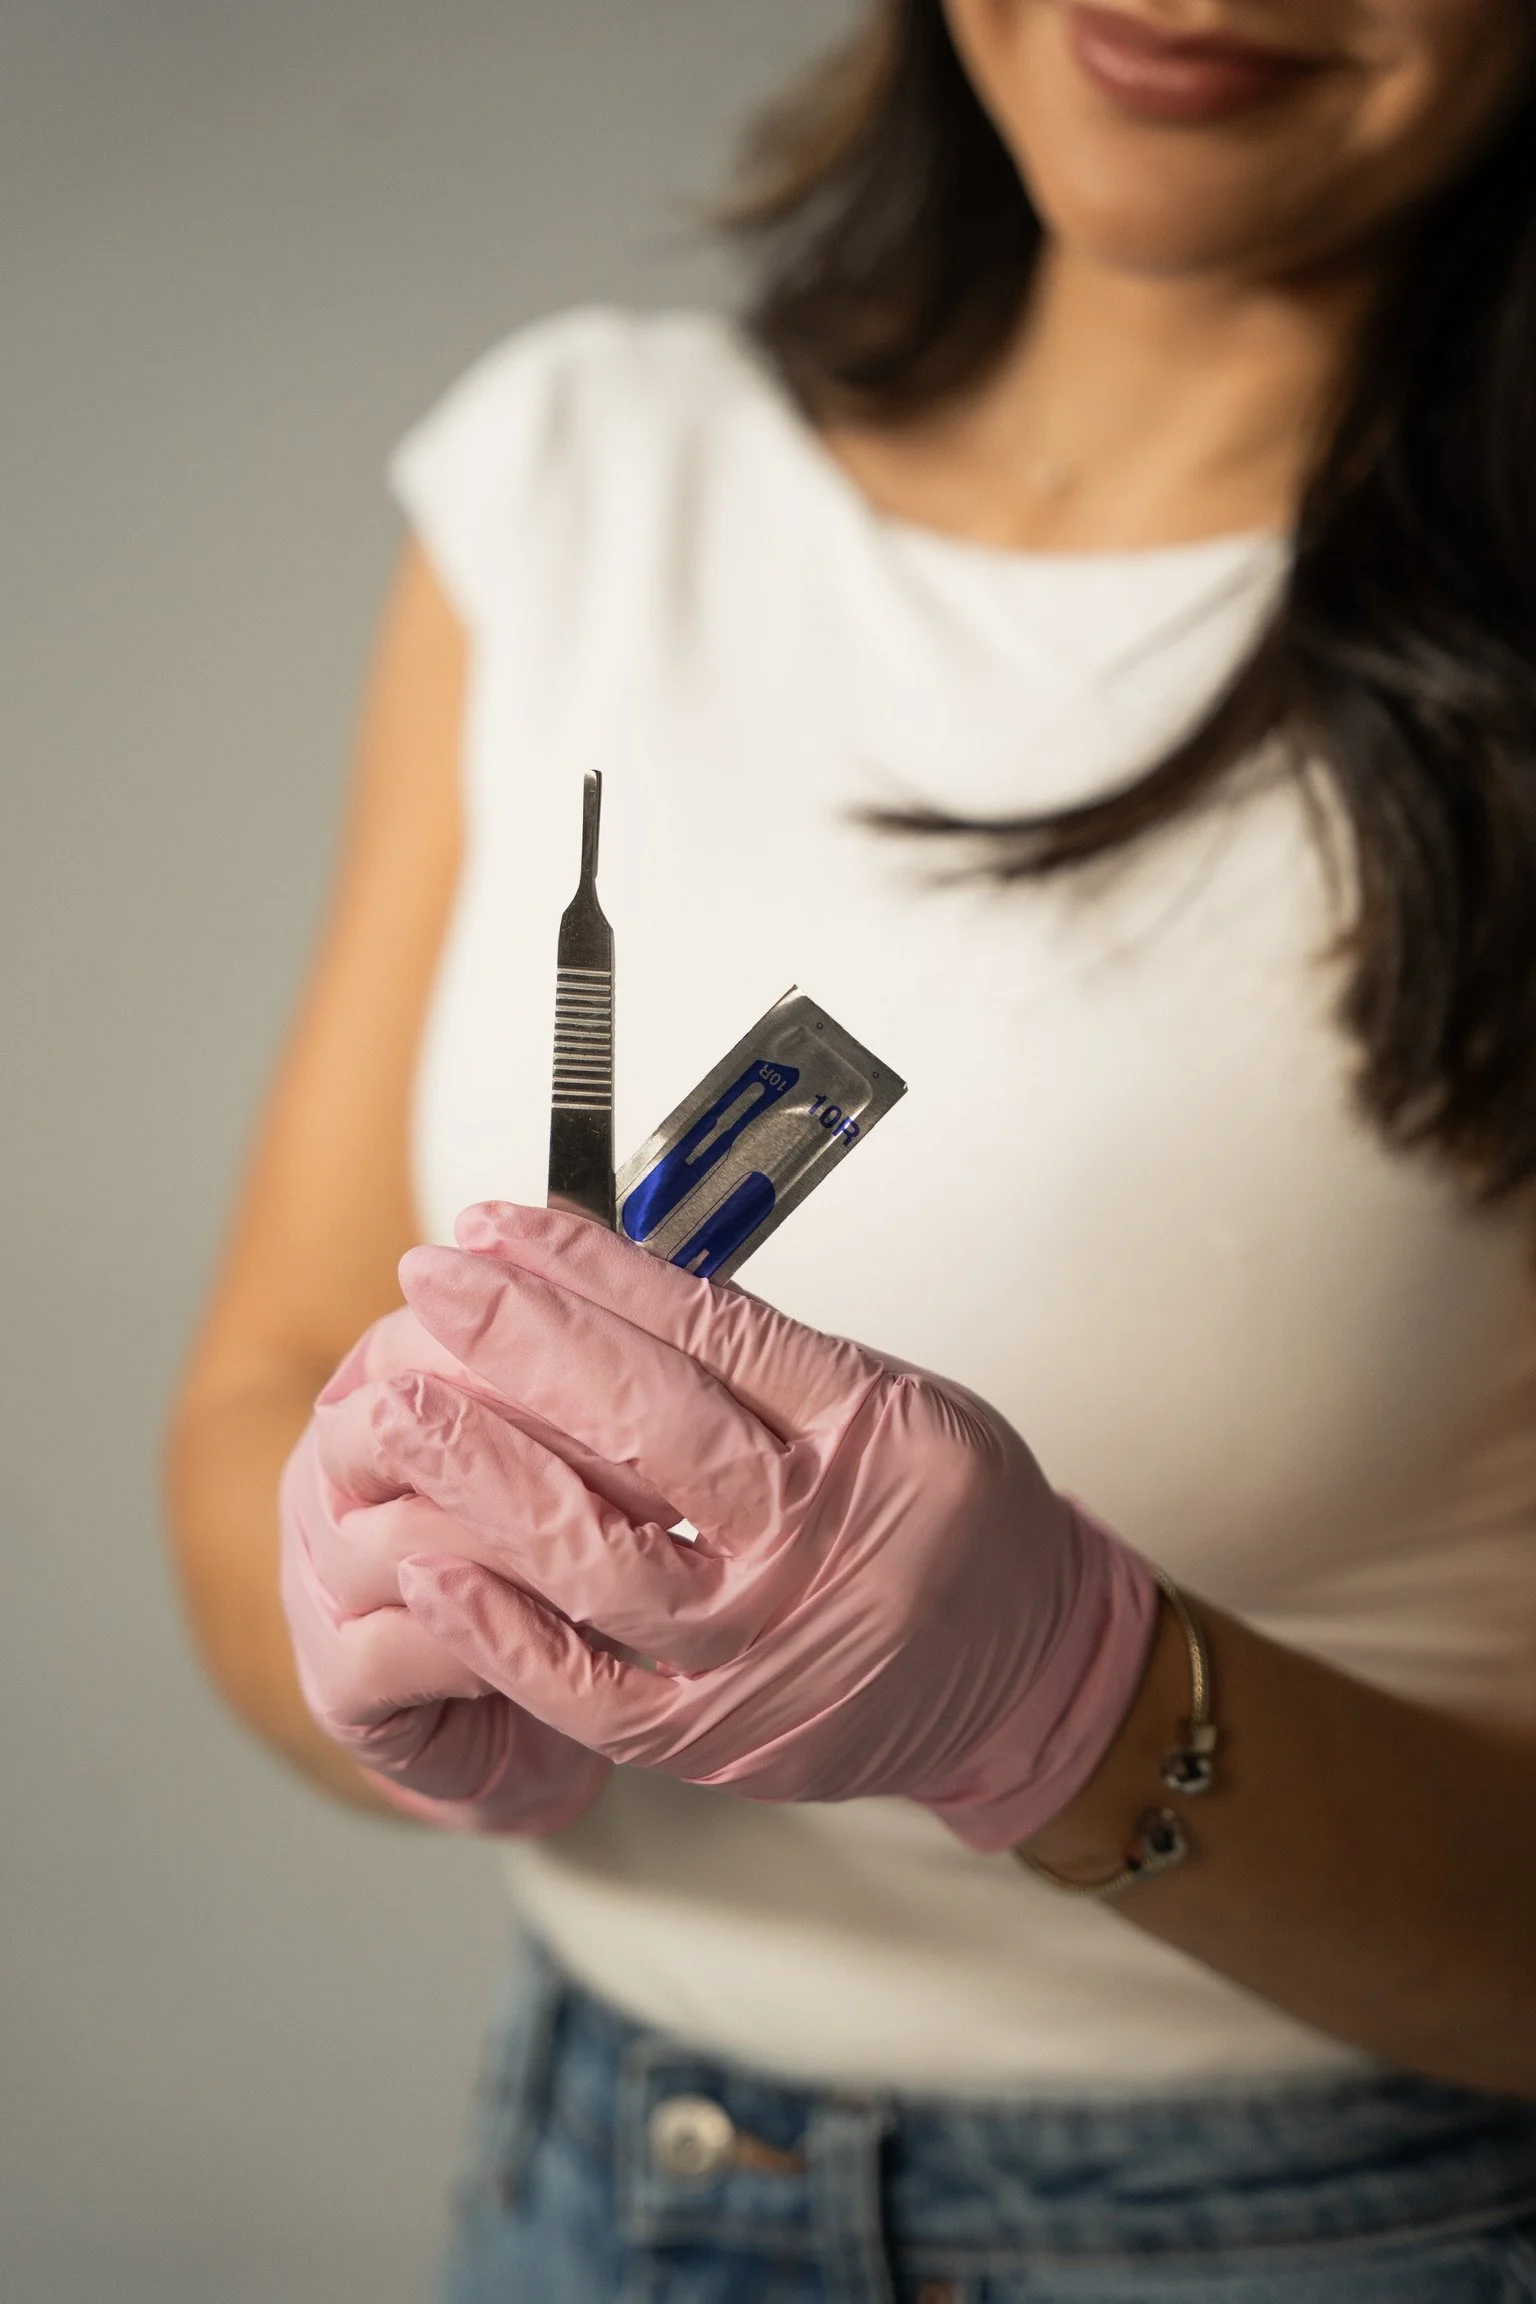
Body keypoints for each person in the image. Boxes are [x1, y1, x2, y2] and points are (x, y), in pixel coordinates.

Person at [166, 2, 1536, 2297]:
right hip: (585, 2179)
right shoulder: (586, 466)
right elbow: (268, 1381)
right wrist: (396, 1641)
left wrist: (1071, 1705)